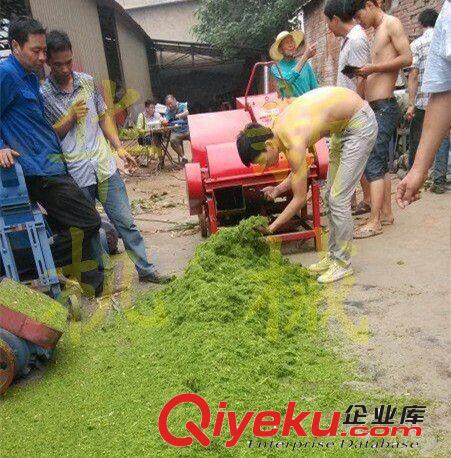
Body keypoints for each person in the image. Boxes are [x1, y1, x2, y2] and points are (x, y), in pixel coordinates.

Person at [41, 31, 171, 284]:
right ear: (47, 61)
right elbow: (48, 136)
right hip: (76, 174)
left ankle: (146, 269)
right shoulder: (43, 95)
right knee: (89, 230)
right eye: (58, 64)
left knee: (125, 222)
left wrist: (119, 147)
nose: (65, 68)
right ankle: (105, 280)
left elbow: (103, 116)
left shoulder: (88, 82)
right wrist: (68, 119)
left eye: (68, 61)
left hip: (103, 166)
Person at [0, 17, 104, 296]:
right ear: (15, 46)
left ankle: (88, 281)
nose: (43, 57)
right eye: (36, 50)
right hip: (37, 170)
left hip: (50, 161)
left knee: (67, 226)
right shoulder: (6, 75)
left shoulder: (31, 77)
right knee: (89, 220)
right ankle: (32, 268)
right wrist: (0, 147)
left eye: (44, 50)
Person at [236, 87, 378, 283]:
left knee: (339, 199)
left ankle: (343, 264)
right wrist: (277, 190)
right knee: (330, 196)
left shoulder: (292, 139)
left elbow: (300, 198)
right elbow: (298, 173)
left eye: (260, 160)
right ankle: (334, 255)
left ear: (268, 146)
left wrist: (271, 228)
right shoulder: (277, 130)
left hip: (359, 123)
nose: (263, 166)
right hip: (341, 128)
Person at [351, 0, 412, 238]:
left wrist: (373, 69)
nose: (359, 22)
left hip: (386, 106)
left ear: (369, 5)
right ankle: (385, 214)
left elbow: (407, 58)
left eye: (358, 16)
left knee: (373, 162)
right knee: (380, 162)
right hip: (376, 107)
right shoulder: (377, 32)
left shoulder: (391, 23)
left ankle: (374, 221)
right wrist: (365, 74)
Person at [397, 1, 451, 207]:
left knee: (426, 137)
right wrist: (418, 170)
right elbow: (445, 87)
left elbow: (414, 74)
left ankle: (437, 178)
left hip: (422, 102)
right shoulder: (448, 16)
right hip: (433, 105)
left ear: (421, 24)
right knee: (443, 139)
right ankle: (438, 177)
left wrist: (411, 103)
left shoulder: (417, 44)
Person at [324, 0, 372, 216]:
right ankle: (351, 202)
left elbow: (362, 77)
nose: (328, 28)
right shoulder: (348, 40)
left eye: (328, 22)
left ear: (335, 19)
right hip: (347, 110)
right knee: (347, 159)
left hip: (354, 111)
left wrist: (356, 108)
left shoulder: (356, 40)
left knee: (354, 159)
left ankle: (368, 200)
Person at [269, 30, 318, 98]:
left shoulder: (305, 64)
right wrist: (305, 57)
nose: (291, 45)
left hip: (307, 106)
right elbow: (287, 81)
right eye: (286, 43)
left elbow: (315, 88)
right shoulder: (276, 67)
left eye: (292, 41)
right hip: (290, 107)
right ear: (280, 50)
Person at [163, 94, 189, 163]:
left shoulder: (183, 105)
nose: (170, 106)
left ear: (174, 100)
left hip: (187, 130)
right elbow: (166, 120)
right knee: (173, 140)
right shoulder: (168, 111)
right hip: (177, 132)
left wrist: (180, 115)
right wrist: (164, 121)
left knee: (195, 139)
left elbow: (187, 112)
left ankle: (197, 156)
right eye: (168, 104)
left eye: (171, 103)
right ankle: (183, 157)